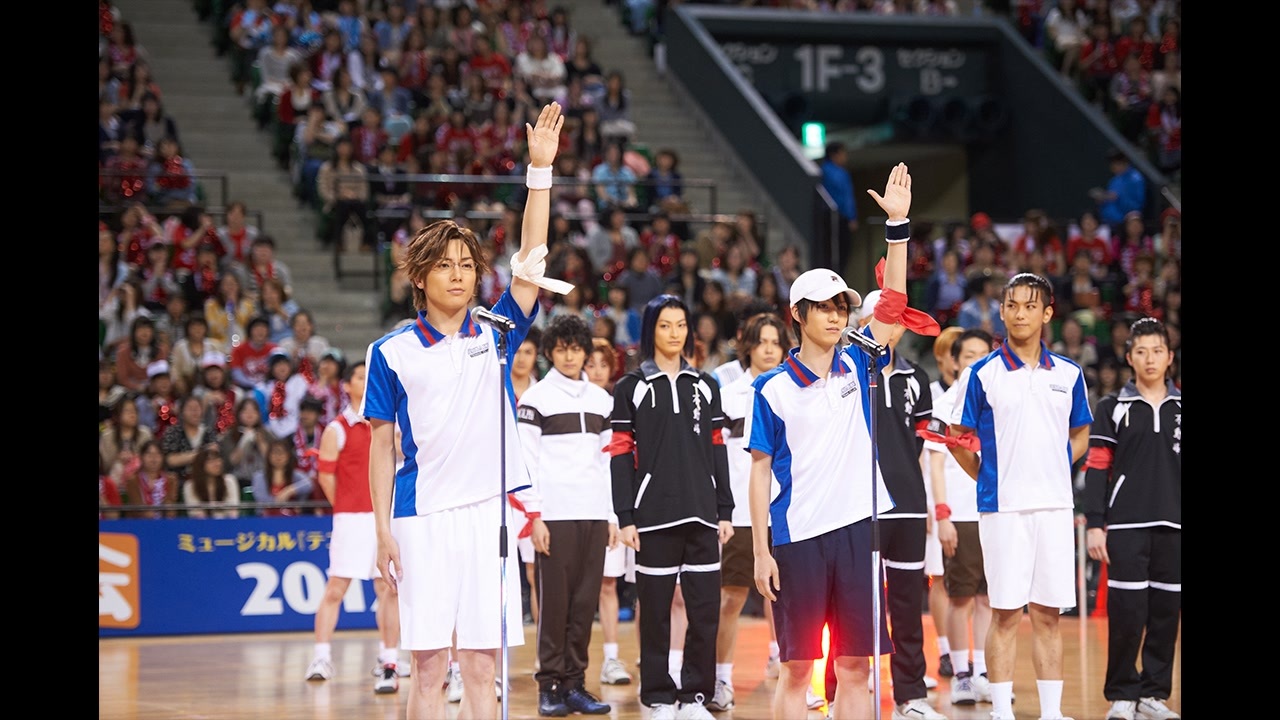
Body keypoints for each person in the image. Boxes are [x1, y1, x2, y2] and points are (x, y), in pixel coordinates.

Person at [364, 102, 567, 720]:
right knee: (427, 670)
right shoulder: (390, 352)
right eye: (443, 266)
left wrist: (539, 174)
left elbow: (531, 258)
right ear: (419, 278)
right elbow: (380, 445)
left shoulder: (497, 331)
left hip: (487, 517)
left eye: (466, 265)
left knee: (482, 668)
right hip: (421, 518)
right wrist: (381, 530)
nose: (458, 275)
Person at [748, 163, 911, 720]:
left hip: (858, 529)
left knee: (857, 665)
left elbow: (891, 311)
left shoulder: (860, 364)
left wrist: (898, 227)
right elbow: (759, 472)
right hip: (796, 539)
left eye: (842, 305)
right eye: (824, 306)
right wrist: (760, 550)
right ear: (798, 315)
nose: (837, 314)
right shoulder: (771, 389)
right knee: (797, 668)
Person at [943, 272, 1094, 720]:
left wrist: (1054, 465)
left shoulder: (1069, 373)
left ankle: (1051, 712)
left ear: (1047, 313)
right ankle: (1001, 713)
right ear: (1003, 311)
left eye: (1031, 305)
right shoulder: (983, 373)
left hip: (1053, 508)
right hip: (1002, 510)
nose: (1020, 312)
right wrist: (987, 476)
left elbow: (1081, 432)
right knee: (1005, 613)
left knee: (1049, 614)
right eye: (1012, 305)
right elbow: (956, 435)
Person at [609, 294, 733, 720]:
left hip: (702, 516)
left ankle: (695, 696)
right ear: (650, 331)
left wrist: (725, 510)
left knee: (704, 613)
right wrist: (625, 516)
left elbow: (718, 449)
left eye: (681, 325)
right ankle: (658, 696)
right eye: (665, 325)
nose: (675, 333)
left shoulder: (706, 385)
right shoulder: (630, 387)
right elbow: (621, 453)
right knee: (656, 615)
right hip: (653, 518)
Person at [515, 314, 615, 717]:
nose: (570, 356)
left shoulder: (602, 400)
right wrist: (534, 516)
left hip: (593, 514)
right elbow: (527, 461)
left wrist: (610, 516)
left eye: (576, 349)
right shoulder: (536, 399)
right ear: (550, 352)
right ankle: (549, 686)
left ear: (585, 352)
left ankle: (575, 685)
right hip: (553, 516)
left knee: (584, 603)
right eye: (562, 349)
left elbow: (611, 463)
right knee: (553, 604)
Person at [1082, 318, 1181, 720]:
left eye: (1157, 351)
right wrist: (1094, 523)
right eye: (1141, 351)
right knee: (1127, 614)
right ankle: (1122, 693)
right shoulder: (1112, 408)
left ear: (1170, 357)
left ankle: (1153, 694)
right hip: (1124, 526)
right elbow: (1097, 466)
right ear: (1129, 358)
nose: (1150, 358)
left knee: (1165, 616)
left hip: (1174, 526)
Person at [707, 312, 791, 713]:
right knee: (732, 598)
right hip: (741, 514)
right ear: (749, 348)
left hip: (790, 512)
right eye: (763, 342)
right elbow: (716, 457)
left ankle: (788, 666)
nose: (771, 348)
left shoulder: (794, 390)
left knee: (789, 599)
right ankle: (721, 678)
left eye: (777, 341)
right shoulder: (729, 396)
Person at [304, 361, 405, 693]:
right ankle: (321, 656)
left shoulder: (387, 424)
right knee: (336, 589)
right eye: (359, 377)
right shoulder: (336, 429)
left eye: (367, 376)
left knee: (387, 588)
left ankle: (388, 657)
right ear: (346, 386)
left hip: (384, 516)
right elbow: (326, 476)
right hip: (351, 519)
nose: (365, 381)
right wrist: (346, 509)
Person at [922, 328, 997, 707]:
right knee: (961, 598)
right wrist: (943, 514)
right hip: (961, 514)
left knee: (988, 599)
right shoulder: (945, 405)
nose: (976, 363)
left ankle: (983, 671)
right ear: (954, 362)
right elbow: (935, 464)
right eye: (968, 356)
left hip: (994, 512)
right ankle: (961, 674)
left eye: (983, 355)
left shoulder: (997, 401)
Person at [925, 325, 965, 682]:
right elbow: (926, 458)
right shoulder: (936, 396)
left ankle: (972, 659)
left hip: (970, 500)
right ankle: (944, 650)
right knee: (939, 577)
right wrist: (930, 505)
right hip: (938, 495)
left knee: (973, 585)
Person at [820, 141, 857, 273]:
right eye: (842, 153)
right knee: (838, 251)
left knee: (837, 252)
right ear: (834, 155)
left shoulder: (827, 170)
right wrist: (851, 216)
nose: (845, 156)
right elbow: (846, 197)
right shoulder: (834, 173)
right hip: (837, 216)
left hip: (837, 215)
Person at [183, 446, 241, 519]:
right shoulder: (190, 486)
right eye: (211, 461)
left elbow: (233, 511)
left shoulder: (229, 481)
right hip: (201, 526)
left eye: (218, 459)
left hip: (226, 525)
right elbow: (195, 513)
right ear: (201, 465)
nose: (217, 463)